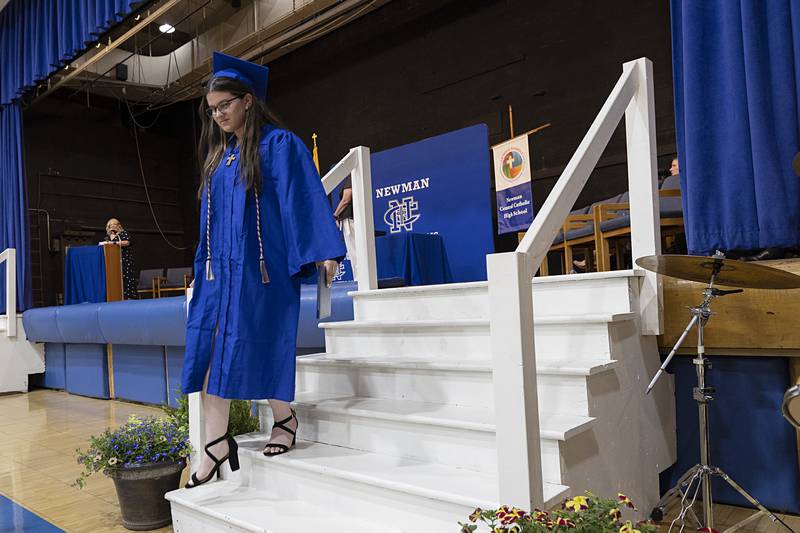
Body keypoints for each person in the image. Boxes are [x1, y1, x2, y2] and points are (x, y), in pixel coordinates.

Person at [181, 52, 345, 488]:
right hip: (221, 275)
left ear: (248, 100)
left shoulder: (279, 146)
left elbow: (302, 200)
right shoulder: (220, 161)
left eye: (225, 106)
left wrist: (323, 250)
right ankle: (215, 443)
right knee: (210, 350)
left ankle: (284, 418)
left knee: (267, 337)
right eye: (212, 110)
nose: (218, 116)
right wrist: (202, 269)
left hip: (263, 270)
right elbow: (208, 227)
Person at [99, 218, 137, 300]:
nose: (113, 226)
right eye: (110, 225)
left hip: (124, 260)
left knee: (127, 278)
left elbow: (127, 242)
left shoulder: (123, 234)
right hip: (113, 262)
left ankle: (129, 297)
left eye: (114, 224)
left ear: (119, 226)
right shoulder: (107, 238)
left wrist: (114, 243)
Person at [332, 176, 357, 277]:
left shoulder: (352, 177)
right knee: (355, 250)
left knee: (354, 250)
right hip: (355, 218)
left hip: (350, 220)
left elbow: (346, 199)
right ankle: (360, 278)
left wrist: (335, 215)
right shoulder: (355, 178)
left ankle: (359, 278)